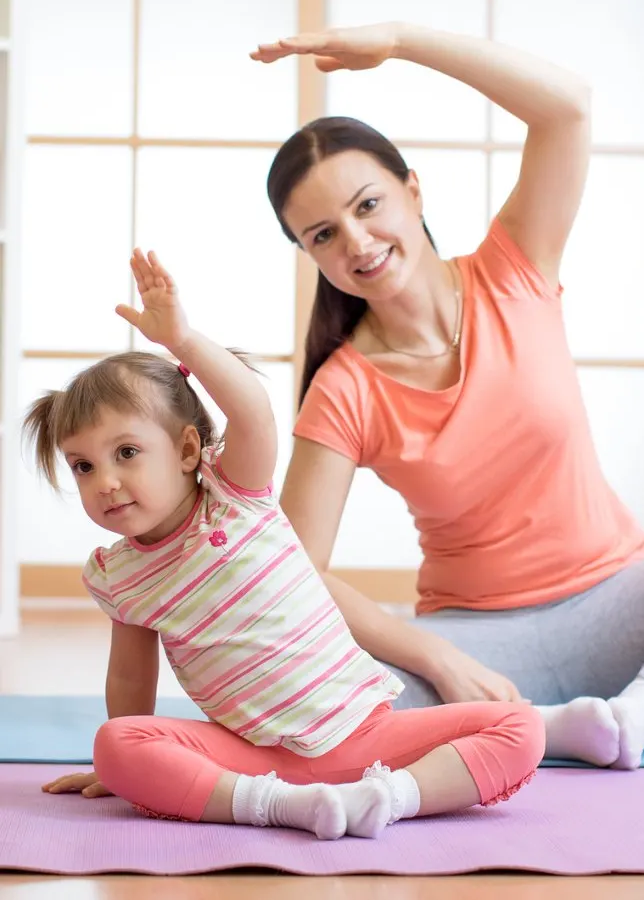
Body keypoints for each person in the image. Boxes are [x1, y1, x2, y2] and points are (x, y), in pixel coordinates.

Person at [251, 21, 644, 770]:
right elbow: (293, 568)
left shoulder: (513, 268)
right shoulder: (343, 389)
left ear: (411, 190)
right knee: (290, 689)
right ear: (308, 254)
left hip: (617, 614)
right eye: (322, 235)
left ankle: (643, 706)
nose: (356, 243)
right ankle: (548, 729)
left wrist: (397, 41)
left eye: (368, 206)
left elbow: (567, 108)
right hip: (473, 654)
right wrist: (433, 655)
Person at [25, 248, 544, 840]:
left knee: (521, 729)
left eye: (126, 453)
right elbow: (128, 683)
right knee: (116, 744)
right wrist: (122, 766)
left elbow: (252, 412)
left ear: (189, 451)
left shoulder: (234, 494)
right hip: (253, 759)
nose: (106, 482)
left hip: (369, 735)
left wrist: (185, 340)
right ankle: (281, 806)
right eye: (83, 467)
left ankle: (389, 797)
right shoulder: (119, 577)